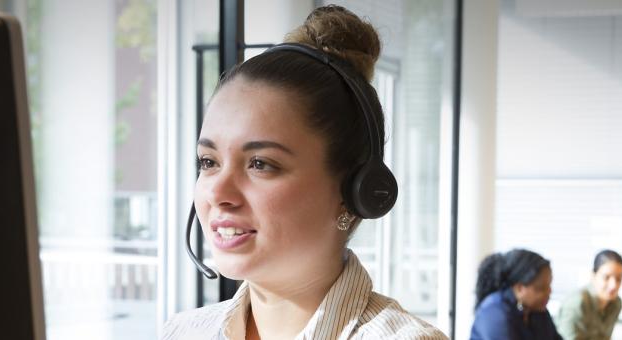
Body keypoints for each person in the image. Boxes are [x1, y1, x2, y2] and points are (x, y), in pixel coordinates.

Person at [161, 5, 446, 340]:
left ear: (353, 191)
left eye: (260, 164)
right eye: (209, 162)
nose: (218, 194)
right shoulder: (184, 332)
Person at [471, 249, 562, 340]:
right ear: (519, 288)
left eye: (549, 285)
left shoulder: (538, 311)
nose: (549, 292)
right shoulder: (494, 312)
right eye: (541, 288)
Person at [555, 250, 622, 340]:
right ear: (593, 275)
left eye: (619, 279)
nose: (613, 285)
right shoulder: (577, 302)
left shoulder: (616, 303)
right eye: (606, 277)